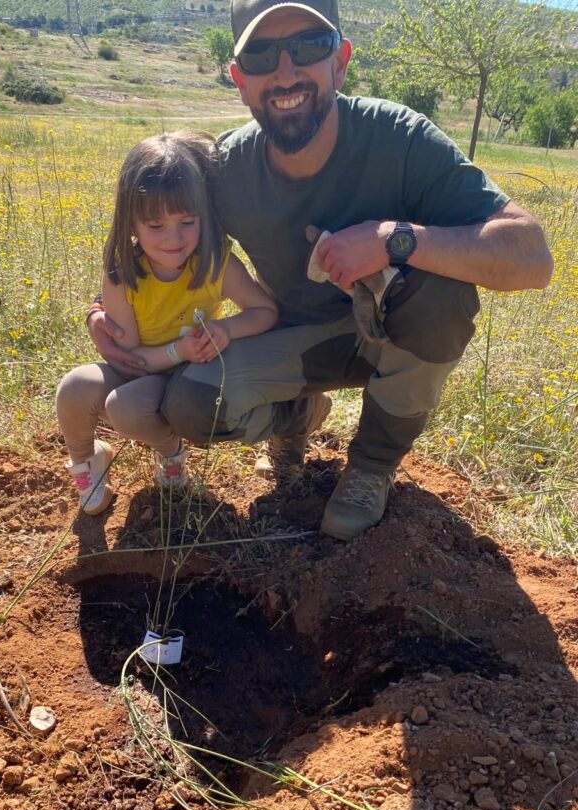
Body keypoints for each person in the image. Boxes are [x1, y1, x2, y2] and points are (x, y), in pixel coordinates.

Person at [88, 0, 553, 539]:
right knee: (191, 405)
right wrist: (101, 308)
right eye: (262, 55)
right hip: (294, 340)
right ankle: (298, 418)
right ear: (240, 80)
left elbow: (532, 256)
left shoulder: (400, 139)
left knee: (445, 295)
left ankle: (372, 466)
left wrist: (393, 240)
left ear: (340, 61)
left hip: (394, 332)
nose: (286, 72)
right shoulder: (225, 169)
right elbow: (163, 232)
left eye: (308, 46)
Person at [56, 130, 277, 514]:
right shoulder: (122, 273)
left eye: (187, 221)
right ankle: (87, 461)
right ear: (131, 223)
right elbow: (131, 360)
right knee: (74, 387)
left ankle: (170, 453)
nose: (173, 238)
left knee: (125, 407)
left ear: (204, 216)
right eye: (155, 226)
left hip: (193, 377)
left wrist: (225, 329)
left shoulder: (216, 263)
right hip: (146, 367)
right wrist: (179, 349)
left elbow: (265, 312)